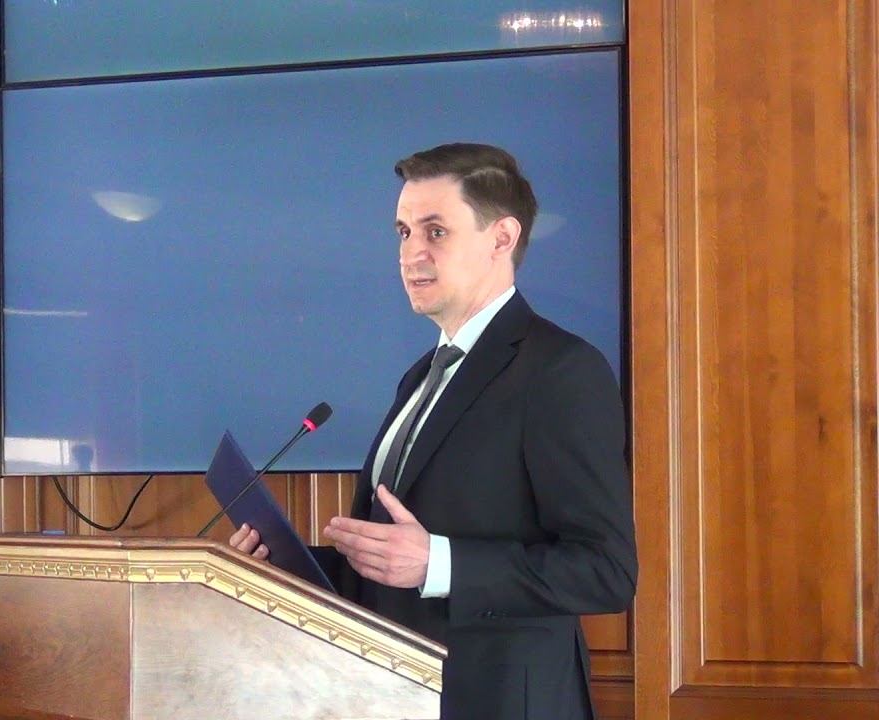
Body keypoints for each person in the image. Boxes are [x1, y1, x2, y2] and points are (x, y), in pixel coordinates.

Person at [230, 143, 637, 720]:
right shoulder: (421, 377)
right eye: (403, 232)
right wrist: (283, 567)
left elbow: (606, 572)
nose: (410, 253)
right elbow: (391, 565)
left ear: (502, 238)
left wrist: (439, 564)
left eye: (435, 232)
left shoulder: (561, 370)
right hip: (395, 697)